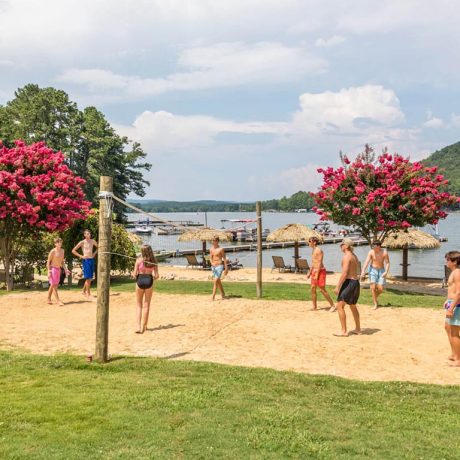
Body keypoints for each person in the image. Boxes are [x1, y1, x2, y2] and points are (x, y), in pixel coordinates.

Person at [333, 238, 361, 337]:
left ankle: (344, 331)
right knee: (352, 305)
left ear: (347, 246)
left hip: (349, 282)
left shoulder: (346, 257)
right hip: (356, 282)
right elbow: (358, 269)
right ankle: (358, 329)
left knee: (340, 306)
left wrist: (337, 286)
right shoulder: (354, 256)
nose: (340, 246)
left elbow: (344, 273)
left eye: (342, 244)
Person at [133, 245, 159, 334]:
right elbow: (156, 276)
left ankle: (138, 326)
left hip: (140, 280)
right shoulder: (154, 261)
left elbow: (134, 274)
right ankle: (144, 326)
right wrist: (153, 277)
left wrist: (137, 275)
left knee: (139, 305)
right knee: (146, 304)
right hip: (149, 280)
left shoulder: (138, 260)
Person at [307, 236, 334, 311]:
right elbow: (313, 262)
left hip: (320, 271)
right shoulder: (313, 250)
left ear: (314, 242)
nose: (308, 243)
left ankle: (332, 305)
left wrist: (317, 274)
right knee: (313, 288)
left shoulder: (319, 250)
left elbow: (319, 263)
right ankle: (314, 307)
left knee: (322, 289)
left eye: (309, 241)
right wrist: (310, 272)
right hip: (314, 271)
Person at [361, 240, 390, 309]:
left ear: (378, 246)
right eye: (373, 245)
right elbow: (367, 262)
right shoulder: (371, 252)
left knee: (380, 289)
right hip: (372, 270)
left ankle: (374, 298)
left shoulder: (384, 252)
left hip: (381, 271)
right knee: (373, 287)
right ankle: (375, 304)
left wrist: (386, 272)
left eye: (374, 245)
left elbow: (388, 263)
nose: (373, 247)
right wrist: (363, 271)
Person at [443, 251, 460, 367]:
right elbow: (452, 290)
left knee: (454, 332)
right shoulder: (453, 272)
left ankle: (458, 359)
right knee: (448, 328)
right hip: (452, 303)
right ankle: (454, 354)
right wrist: (447, 301)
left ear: (454, 261)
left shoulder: (457, 273)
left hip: (456, 305)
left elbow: (459, 292)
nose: (446, 261)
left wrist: (451, 308)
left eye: (448, 260)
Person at [72, 229, 98, 298]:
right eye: (86, 234)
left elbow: (98, 247)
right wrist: (81, 256)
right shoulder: (82, 242)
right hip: (86, 260)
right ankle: (88, 294)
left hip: (91, 260)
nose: (88, 235)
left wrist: (94, 254)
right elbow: (73, 250)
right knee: (88, 278)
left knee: (89, 278)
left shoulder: (93, 241)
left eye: (89, 233)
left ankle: (83, 291)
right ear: (84, 235)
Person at [46, 237, 70, 306]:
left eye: (61, 242)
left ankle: (48, 298)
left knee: (53, 284)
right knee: (54, 285)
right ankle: (58, 301)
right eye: (58, 242)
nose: (60, 243)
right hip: (52, 269)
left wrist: (66, 269)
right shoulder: (52, 251)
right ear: (55, 244)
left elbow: (62, 262)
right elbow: (48, 262)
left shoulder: (62, 251)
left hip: (58, 269)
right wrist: (49, 271)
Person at [209, 236, 228, 300]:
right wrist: (212, 263)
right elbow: (210, 258)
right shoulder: (211, 249)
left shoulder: (221, 249)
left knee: (215, 280)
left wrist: (226, 268)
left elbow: (224, 258)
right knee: (218, 281)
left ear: (217, 241)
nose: (212, 242)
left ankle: (213, 296)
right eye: (212, 240)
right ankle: (223, 294)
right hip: (213, 267)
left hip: (219, 266)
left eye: (214, 240)